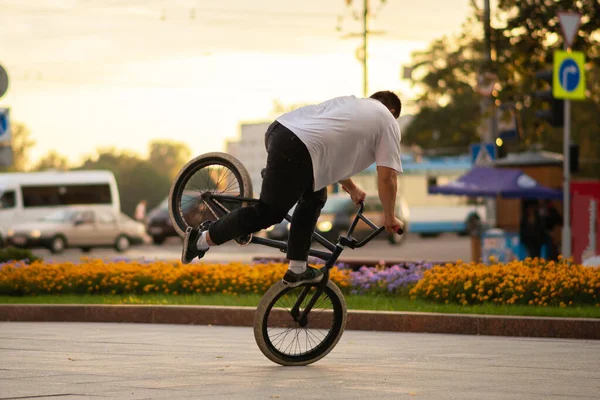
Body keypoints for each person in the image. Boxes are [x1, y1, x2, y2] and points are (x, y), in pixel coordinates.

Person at [181, 91, 405, 287]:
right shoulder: (387, 120)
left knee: (315, 195)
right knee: (269, 213)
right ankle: (200, 240)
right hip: (298, 148)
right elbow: (387, 177)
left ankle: (297, 266)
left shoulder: (352, 106)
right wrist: (389, 216)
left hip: (281, 132)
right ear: (392, 110)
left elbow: (329, 155)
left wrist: (353, 188)